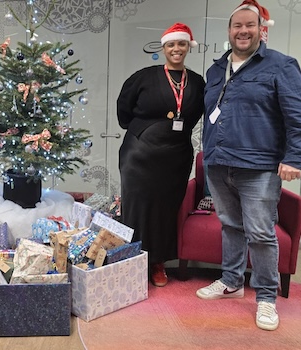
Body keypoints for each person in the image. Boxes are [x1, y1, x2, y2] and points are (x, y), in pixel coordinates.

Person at [196, 0, 301, 332]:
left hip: (259, 167)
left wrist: (293, 158)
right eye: (237, 26)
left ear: (262, 29)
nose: (243, 31)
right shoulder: (216, 69)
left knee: (261, 233)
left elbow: (298, 116)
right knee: (230, 224)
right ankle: (232, 281)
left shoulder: (281, 65)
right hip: (219, 163)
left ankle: (265, 297)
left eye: (250, 25)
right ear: (229, 31)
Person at [117, 23, 205, 287]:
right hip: (139, 154)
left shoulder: (198, 82)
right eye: (171, 45)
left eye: (181, 44)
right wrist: (145, 130)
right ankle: (131, 262)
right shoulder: (143, 77)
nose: (176, 49)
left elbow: (195, 116)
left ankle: (157, 262)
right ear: (164, 47)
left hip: (175, 158)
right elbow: (124, 112)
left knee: (166, 211)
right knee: (136, 208)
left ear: (188, 47)